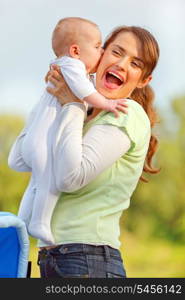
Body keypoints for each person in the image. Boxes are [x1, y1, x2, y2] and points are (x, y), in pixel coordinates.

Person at [9, 25, 160, 278]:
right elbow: (20, 159)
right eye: (116, 52)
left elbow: (70, 178)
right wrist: (50, 103)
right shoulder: (82, 118)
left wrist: (73, 103)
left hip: (88, 260)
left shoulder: (126, 113)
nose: (122, 64)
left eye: (135, 63)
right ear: (99, 56)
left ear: (144, 80)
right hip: (53, 259)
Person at [8, 17, 128, 245]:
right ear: (75, 50)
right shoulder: (73, 65)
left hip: (35, 138)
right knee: (48, 182)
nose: (101, 52)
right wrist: (107, 103)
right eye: (97, 47)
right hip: (41, 140)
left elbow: (84, 86)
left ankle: (23, 220)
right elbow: (84, 91)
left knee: (35, 183)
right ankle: (39, 222)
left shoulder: (64, 65)